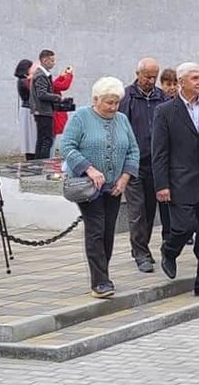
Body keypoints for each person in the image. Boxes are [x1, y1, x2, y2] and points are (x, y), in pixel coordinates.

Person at [152, 63, 199, 298]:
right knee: (184, 226)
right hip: (180, 181)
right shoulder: (165, 111)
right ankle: (170, 249)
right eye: (194, 77)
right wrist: (162, 185)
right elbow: (160, 151)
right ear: (182, 81)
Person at [59, 77, 139, 298]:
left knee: (108, 233)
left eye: (116, 103)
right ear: (96, 100)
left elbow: (133, 150)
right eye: (108, 103)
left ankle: (103, 273)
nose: (113, 107)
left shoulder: (122, 120)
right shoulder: (81, 118)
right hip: (88, 187)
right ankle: (100, 281)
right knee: (96, 230)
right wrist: (89, 169)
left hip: (114, 187)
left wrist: (124, 178)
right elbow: (66, 146)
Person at [119, 58, 170, 273]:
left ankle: (143, 247)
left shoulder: (162, 97)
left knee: (150, 209)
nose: (151, 80)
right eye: (147, 76)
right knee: (137, 210)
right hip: (134, 164)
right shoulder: (127, 97)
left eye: (154, 77)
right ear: (137, 74)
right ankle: (140, 252)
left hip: (157, 164)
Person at [29, 49, 63, 159]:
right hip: (43, 111)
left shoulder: (42, 74)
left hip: (42, 111)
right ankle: (42, 163)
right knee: (46, 140)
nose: (54, 63)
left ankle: (37, 163)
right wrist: (57, 97)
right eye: (52, 60)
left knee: (41, 139)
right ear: (44, 60)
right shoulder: (41, 75)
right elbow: (42, 94)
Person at [14, 59, 36, 161]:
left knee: (31, 137)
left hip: (28, 109)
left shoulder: (24, 80)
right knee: (30, 137)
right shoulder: (24, 81)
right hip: (28, 110)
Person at [51, 64, 76, 154]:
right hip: (53, 113)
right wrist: (69, 75)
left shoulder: (45, 81)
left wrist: (61, 77)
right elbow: (64, 86)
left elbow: (55, 84)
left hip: (53, 112)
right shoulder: (43, 79)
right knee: (51, 138)